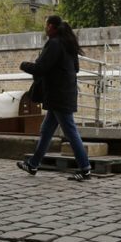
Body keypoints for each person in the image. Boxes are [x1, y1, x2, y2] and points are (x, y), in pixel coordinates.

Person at [16, 15, 92, 181]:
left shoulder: (55, 44)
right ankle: (33, 164)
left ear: (51, 26)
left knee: (70, 131)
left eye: (46, 25)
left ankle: (85, 168)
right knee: (47, 130)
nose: (45, 28)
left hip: (59, 95)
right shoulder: (68, 44)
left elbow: (41, 67)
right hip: (65, 93)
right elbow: (76, 68)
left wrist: (24, 65)